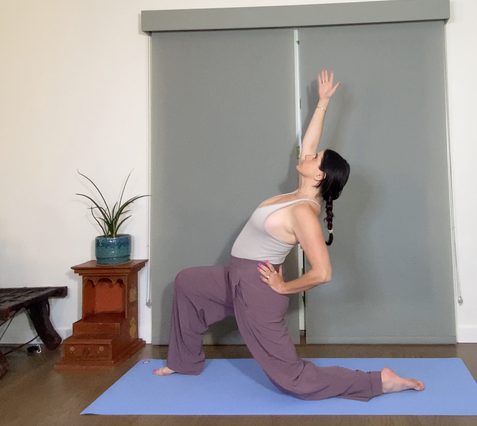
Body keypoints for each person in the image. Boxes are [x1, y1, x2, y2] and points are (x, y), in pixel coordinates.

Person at [153, 70, 425, 401]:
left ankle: (378, 381)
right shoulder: (298, 193)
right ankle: (185, 363)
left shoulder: (303, 213)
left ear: (320, 174)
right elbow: (309, 142)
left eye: (315, 158)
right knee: (188, 283)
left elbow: (322, 272)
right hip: (235, 277)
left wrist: (283, 287)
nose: (306, 154)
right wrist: (323, 103)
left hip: (257, 290)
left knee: (293, 379)